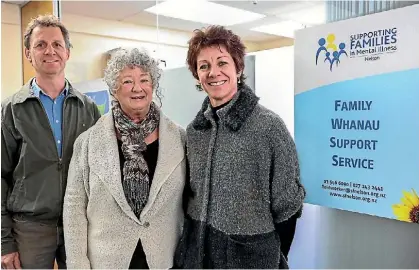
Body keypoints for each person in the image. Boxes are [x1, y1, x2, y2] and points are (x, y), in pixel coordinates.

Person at [175, 25, 306, 269]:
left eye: (222, 63)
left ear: (239, 67)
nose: (214, 72)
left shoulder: (268, 127)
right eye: (204, 66)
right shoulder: (195, 131)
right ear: (197, 76)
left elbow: (287, 208)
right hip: (196, 259)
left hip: (250, 260)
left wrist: (265, 255)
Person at [63, 47, 187, 269]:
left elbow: (190, 203)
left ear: (153, 86)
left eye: (144, 80)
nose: (137, 88)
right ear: (114, 90)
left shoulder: (180, 138)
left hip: (165, 259)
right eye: (128, 81)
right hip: (107, 260)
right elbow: (74, 209)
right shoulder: (88, 142)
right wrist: (77, 264)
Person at [1, 14, 101, 269]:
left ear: (67, 52)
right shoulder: (11, 110)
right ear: (28, 54)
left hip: (79, 223)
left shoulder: (88, 108)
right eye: (40, 44)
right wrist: (4, 241)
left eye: (57, 44)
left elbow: (100, 171)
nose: (50, 51)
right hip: (29, 228)